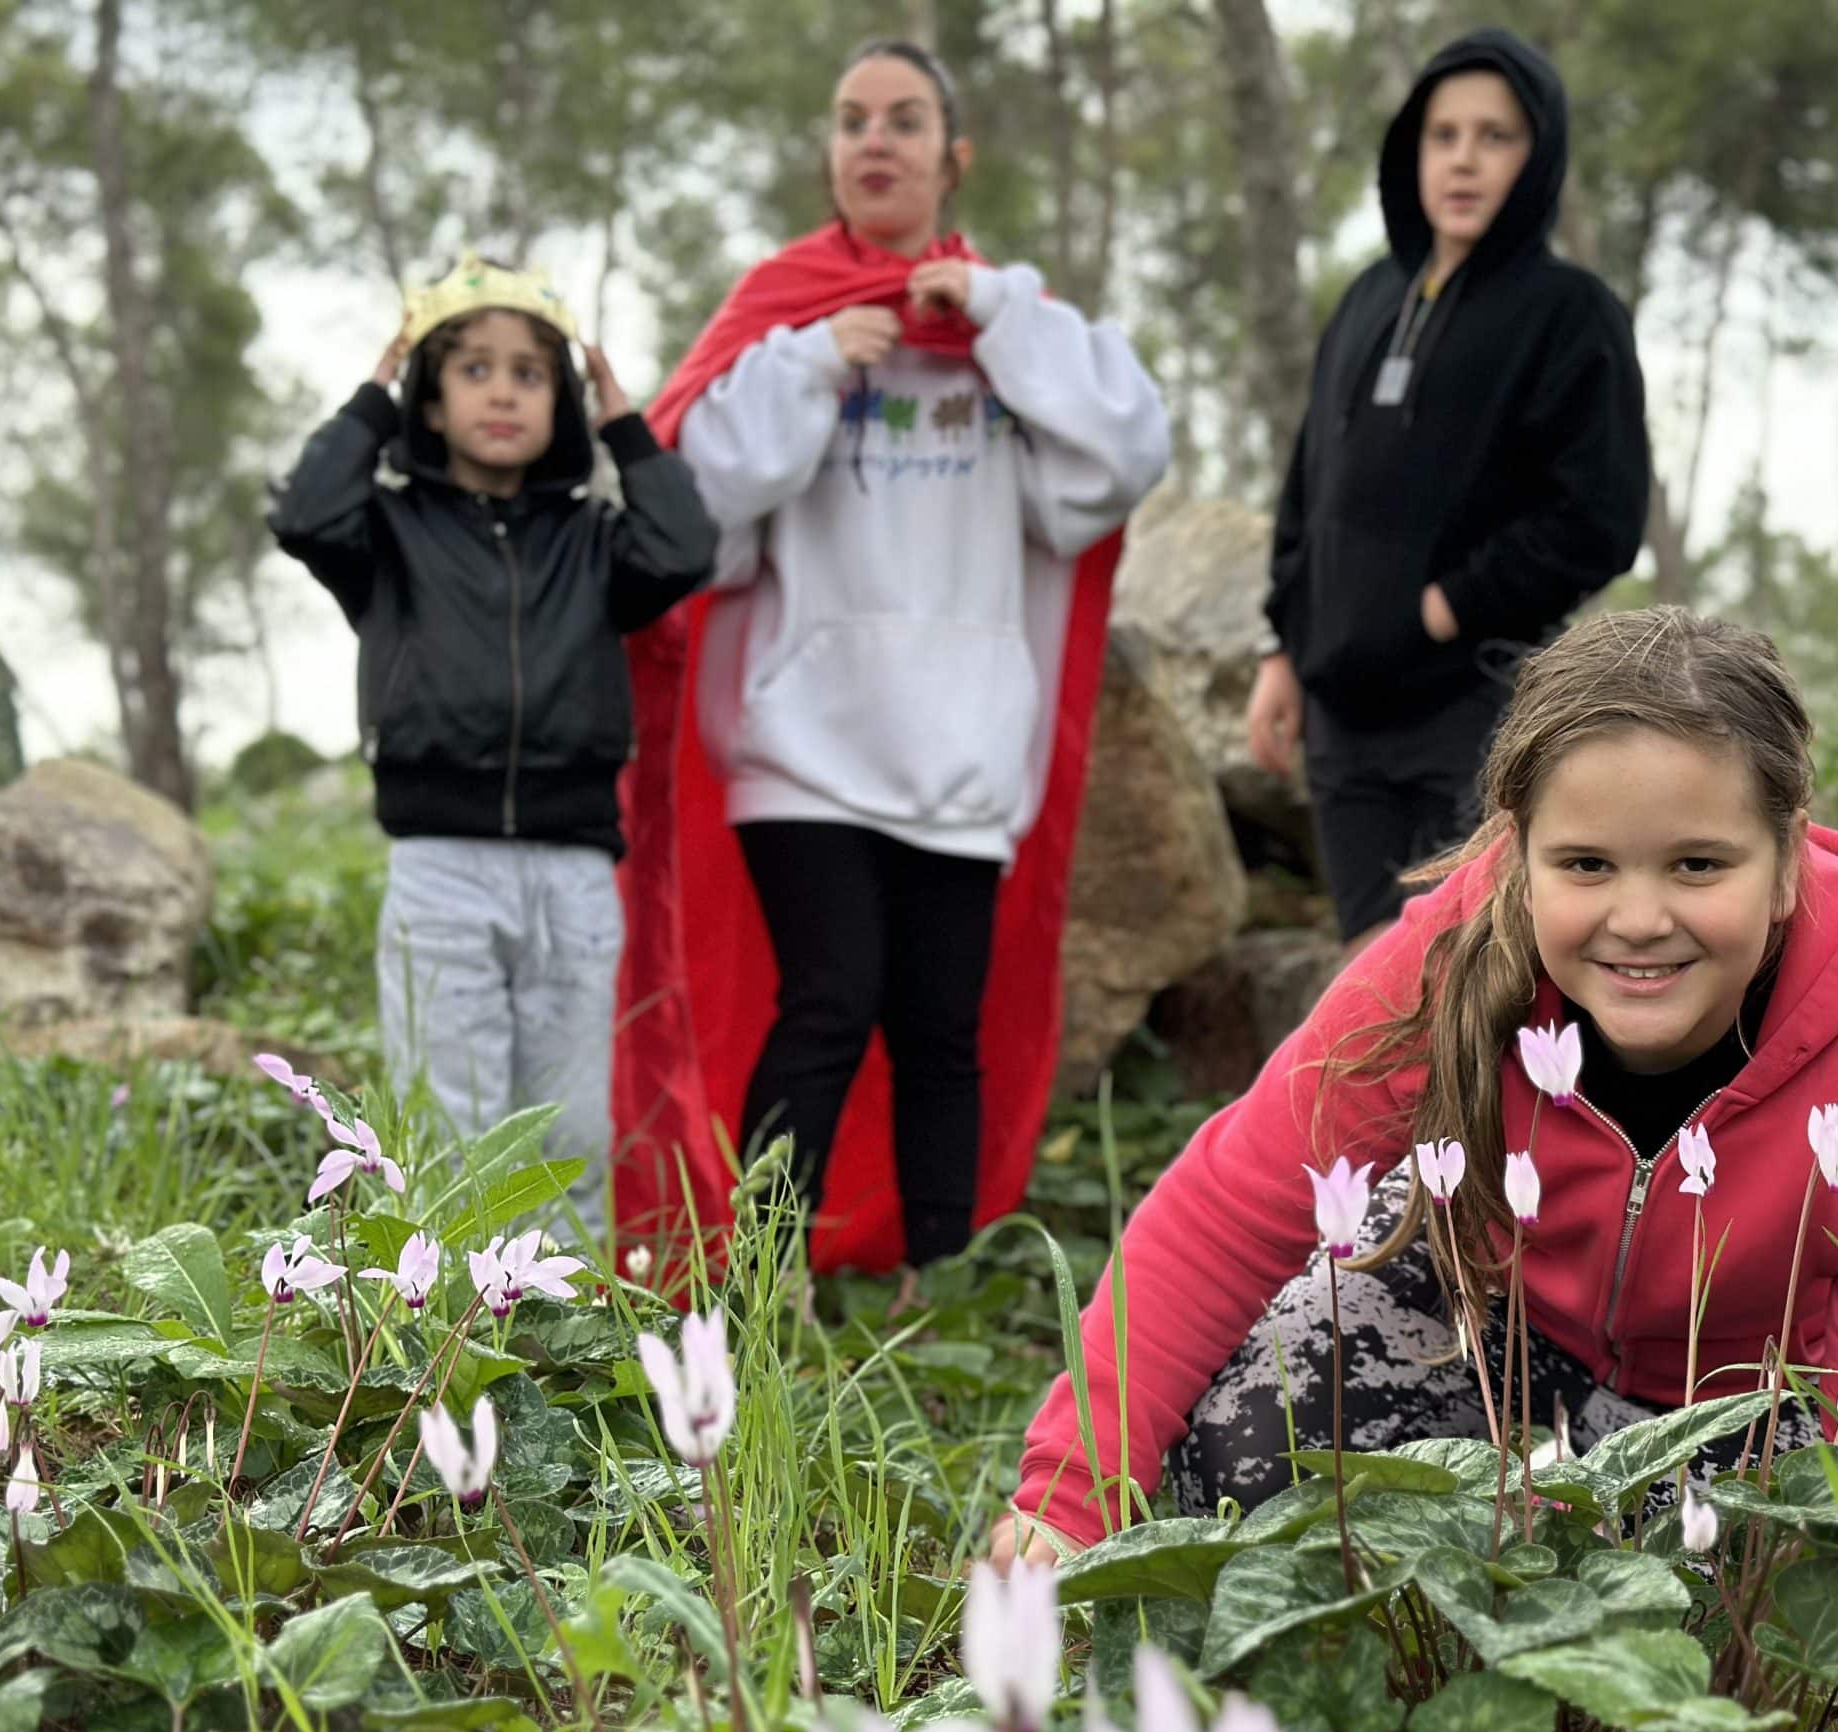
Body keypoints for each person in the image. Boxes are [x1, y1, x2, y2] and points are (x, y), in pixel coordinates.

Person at [995, 609, 1838, 1567]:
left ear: (1786, 860)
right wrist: (1069, 1496)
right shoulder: (1446, 963)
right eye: (1586, 864)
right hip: (1494, 1345)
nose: (1640, 917)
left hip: (1747, 1414)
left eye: (1699, 865)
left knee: (1772, 1611)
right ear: (1519, 856)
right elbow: (1229, 1212)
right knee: (1243, 1445)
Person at [610, 38, 1169, 1293]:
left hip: (963, 750)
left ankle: (939, 1280)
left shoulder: (1013, 329)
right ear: (829, 153)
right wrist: (816, 360)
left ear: (951, 159)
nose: (876, 141)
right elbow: (696, 499)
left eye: (905, 120)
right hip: (800, 750)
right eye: (854, 119)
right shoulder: (783, 317)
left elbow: (1121, 457)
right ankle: (766, 1276)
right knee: (826, 1001)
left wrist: (1002, 325)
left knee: (939, 1032)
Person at [268, 253, 718, 1237]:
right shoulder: (384, 534)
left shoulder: (594, 540)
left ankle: (565, 1352)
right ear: (428, 399)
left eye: (529, 373)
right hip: (441, 869)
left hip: (571, 870)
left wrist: (624, 423)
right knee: (449, 1122)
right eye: (473, 370)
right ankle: (444, 1341)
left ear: (562, 400)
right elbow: (304, 512)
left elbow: (686, 547)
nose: (503, 391)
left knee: (567, 1132)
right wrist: (373, 398)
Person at [1249, 26, 1650, 948]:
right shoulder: (1367, 299)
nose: (1464, 159)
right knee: (1365, 978)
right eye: (1444, 135)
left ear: (1538, 154)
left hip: (1470, 707)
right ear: (1411, 151)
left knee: (1463, 978)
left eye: (1495, 136)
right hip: (1341, 720)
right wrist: (1284, 645)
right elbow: (1310, 490)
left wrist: (1444, 606)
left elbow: (1598, 516)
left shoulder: (1569, 313)